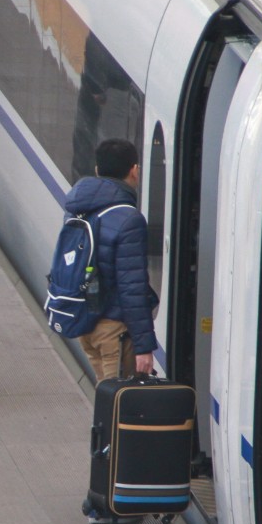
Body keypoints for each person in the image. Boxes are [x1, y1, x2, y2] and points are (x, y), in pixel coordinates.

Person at [63, 137, 157, 385]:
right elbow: (132, 287)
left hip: (86, 325)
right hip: (113, 330)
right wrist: (144, 347)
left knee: (105, 401)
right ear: (134, 171)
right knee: (119, 406)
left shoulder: (77, 208)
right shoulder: (129, 219)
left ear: (97, 170)